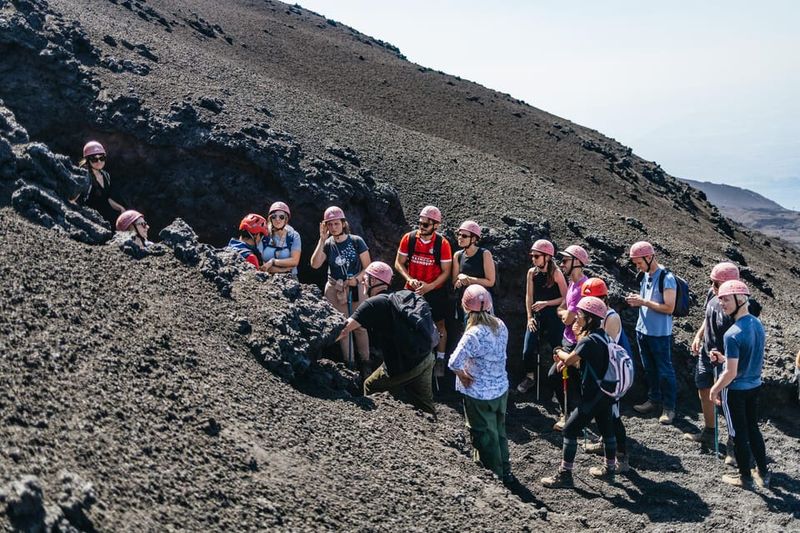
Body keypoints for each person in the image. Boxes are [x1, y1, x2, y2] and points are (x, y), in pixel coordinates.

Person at [686, 262, 762, 464]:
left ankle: (733, 444)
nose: (712, 287)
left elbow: (743, 334)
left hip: (726, 357)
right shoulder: (714, 294)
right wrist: (699, 335)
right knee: (703, 389)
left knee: (729, 403)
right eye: (712, 282)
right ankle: (710, 431)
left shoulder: (742, 305)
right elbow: (707, 316)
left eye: (716, 283)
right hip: (707, 352)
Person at [338, 261, 436, 416]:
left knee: (370, 385)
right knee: (425, 405)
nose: (363, 281)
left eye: (366, 278)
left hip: (403, 364)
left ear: (374, 281)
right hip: (425, 356)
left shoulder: (372, 304)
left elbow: (343, 330)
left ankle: (374, 421)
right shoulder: (399, 296)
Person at [541, 296, 617, 488]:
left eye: (580, 314)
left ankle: (565, 475)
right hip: (607, 392)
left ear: (590, 318)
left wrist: (558, 351)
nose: (577, 317)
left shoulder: (588, 341)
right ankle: (610, 468)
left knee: (570, 429)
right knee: (606, 428)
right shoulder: (604, 336)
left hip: (592, 396)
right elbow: (584, 362)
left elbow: (569, 360)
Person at [709, 280, 771, 488]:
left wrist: (715, 388)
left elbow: (731, 373)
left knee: (737, 433)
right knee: (753, 428)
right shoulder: (756, 324)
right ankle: (763, 473)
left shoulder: (731, 334)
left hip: (734, 391)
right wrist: (725, 358)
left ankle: (744, 477)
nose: (722, 305)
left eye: (726, 300)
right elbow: (747, 357)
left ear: (741, 299)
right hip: (754, 386)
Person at [448, 285, 512, 484]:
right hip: (501, 389)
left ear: (466, 308)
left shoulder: (472, 334)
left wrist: (463, 375)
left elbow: (453, 362)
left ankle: (494, 476)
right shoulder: (500, 325)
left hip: (478, 394)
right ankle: (506, 470)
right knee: (499, 431)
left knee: (484, 436)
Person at [580, 277, 632, 473]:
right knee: (604, 413)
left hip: (614, 373)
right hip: (604, 370)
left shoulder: (611, 317)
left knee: (613, 415)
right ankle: (605, 442)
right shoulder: (598, 317)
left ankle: (622, 456)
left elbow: (604, 346)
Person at [395, 205, 453, 378]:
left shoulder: (442, 244)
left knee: (440, 324)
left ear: (436, 225)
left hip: (434, 291)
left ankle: (440, 360)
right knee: (407, 323)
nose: (421, 227)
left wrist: (430, 286)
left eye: (425, 225)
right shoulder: (409, 238)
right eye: (420, 223)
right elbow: (398, 262)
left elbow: (446, 272)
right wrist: (408, 278)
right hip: (412, 289)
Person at [310, 206, 371, 371]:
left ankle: (366, 363)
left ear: (343, 223)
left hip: (355, 287)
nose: (333, 227)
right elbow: (315, 264)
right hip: (334, 289)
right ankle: (350, 365)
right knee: (341, 328)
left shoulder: (357, 241)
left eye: (336, 223)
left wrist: (357, 279)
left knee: (360, 326)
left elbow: (368, 266)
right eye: (329, 224)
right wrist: (322, 239)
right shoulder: (328, 244)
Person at [625, 241, 677, 425]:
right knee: (650, 369)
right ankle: (653, 400)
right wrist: (638, 301)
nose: (637, 267)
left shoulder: (667, 278)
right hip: (643, 330)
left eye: (639, 262)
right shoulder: (646, 275)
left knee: (665, 371)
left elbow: (669, 307)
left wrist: (643, 302)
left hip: (660, 334)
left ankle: (669, 408)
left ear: (649, 257)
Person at [548, 244, 589, 430]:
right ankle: (569, 414)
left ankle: (572, 416)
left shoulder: (583, 287)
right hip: (567, 340)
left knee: (561, 376)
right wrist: (563, 313)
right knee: (560, 377)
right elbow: (561, 310)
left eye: (565, 260)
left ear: (577, 262)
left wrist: (564, 314)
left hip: (576, 342)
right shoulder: (572, 284)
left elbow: (568, 318)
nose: (562, 264)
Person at [517, 239, 567, 395]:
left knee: (558, 349)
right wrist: (529, 317)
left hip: (554, 316)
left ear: (547, 257)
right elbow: (529, 296)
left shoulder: (556, 273)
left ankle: (559, 383)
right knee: (527, 350)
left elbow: (566, 298)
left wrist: (546, 303)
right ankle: (529, 377)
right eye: (532, 255)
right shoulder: (532, 273)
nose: (533, 259)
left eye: (537, 256)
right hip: (537, 316)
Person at [452, 220, 496, 323]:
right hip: (465, 302)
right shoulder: (458, 256)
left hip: (482, 304)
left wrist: (468, 279)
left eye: (464, 236)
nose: (460, 237)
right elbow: (454, 281)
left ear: (473, 239)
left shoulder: (485, 254)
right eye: (459, 234)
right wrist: (458, 280)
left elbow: (490, 281)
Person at [74, 141, 126, 225]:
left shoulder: (106, 175)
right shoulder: (84, 176)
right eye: (94, 159)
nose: (99, 161)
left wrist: (120, 208)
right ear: (88, 160)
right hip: (89, 219)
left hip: (105, 218)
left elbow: (106, 198)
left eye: (102, 158)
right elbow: (74, 199)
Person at [260, 201, 301, 276]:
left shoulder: (294, 236)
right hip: (266, 278)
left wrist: (272, 261)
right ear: (270, 219)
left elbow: (295, 261)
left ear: (286, 219)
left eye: (281, 217)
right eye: (274, 216)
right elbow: (260, 264)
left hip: (289, 279)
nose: (277, 219)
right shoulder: (264, 235)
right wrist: (282, 270)